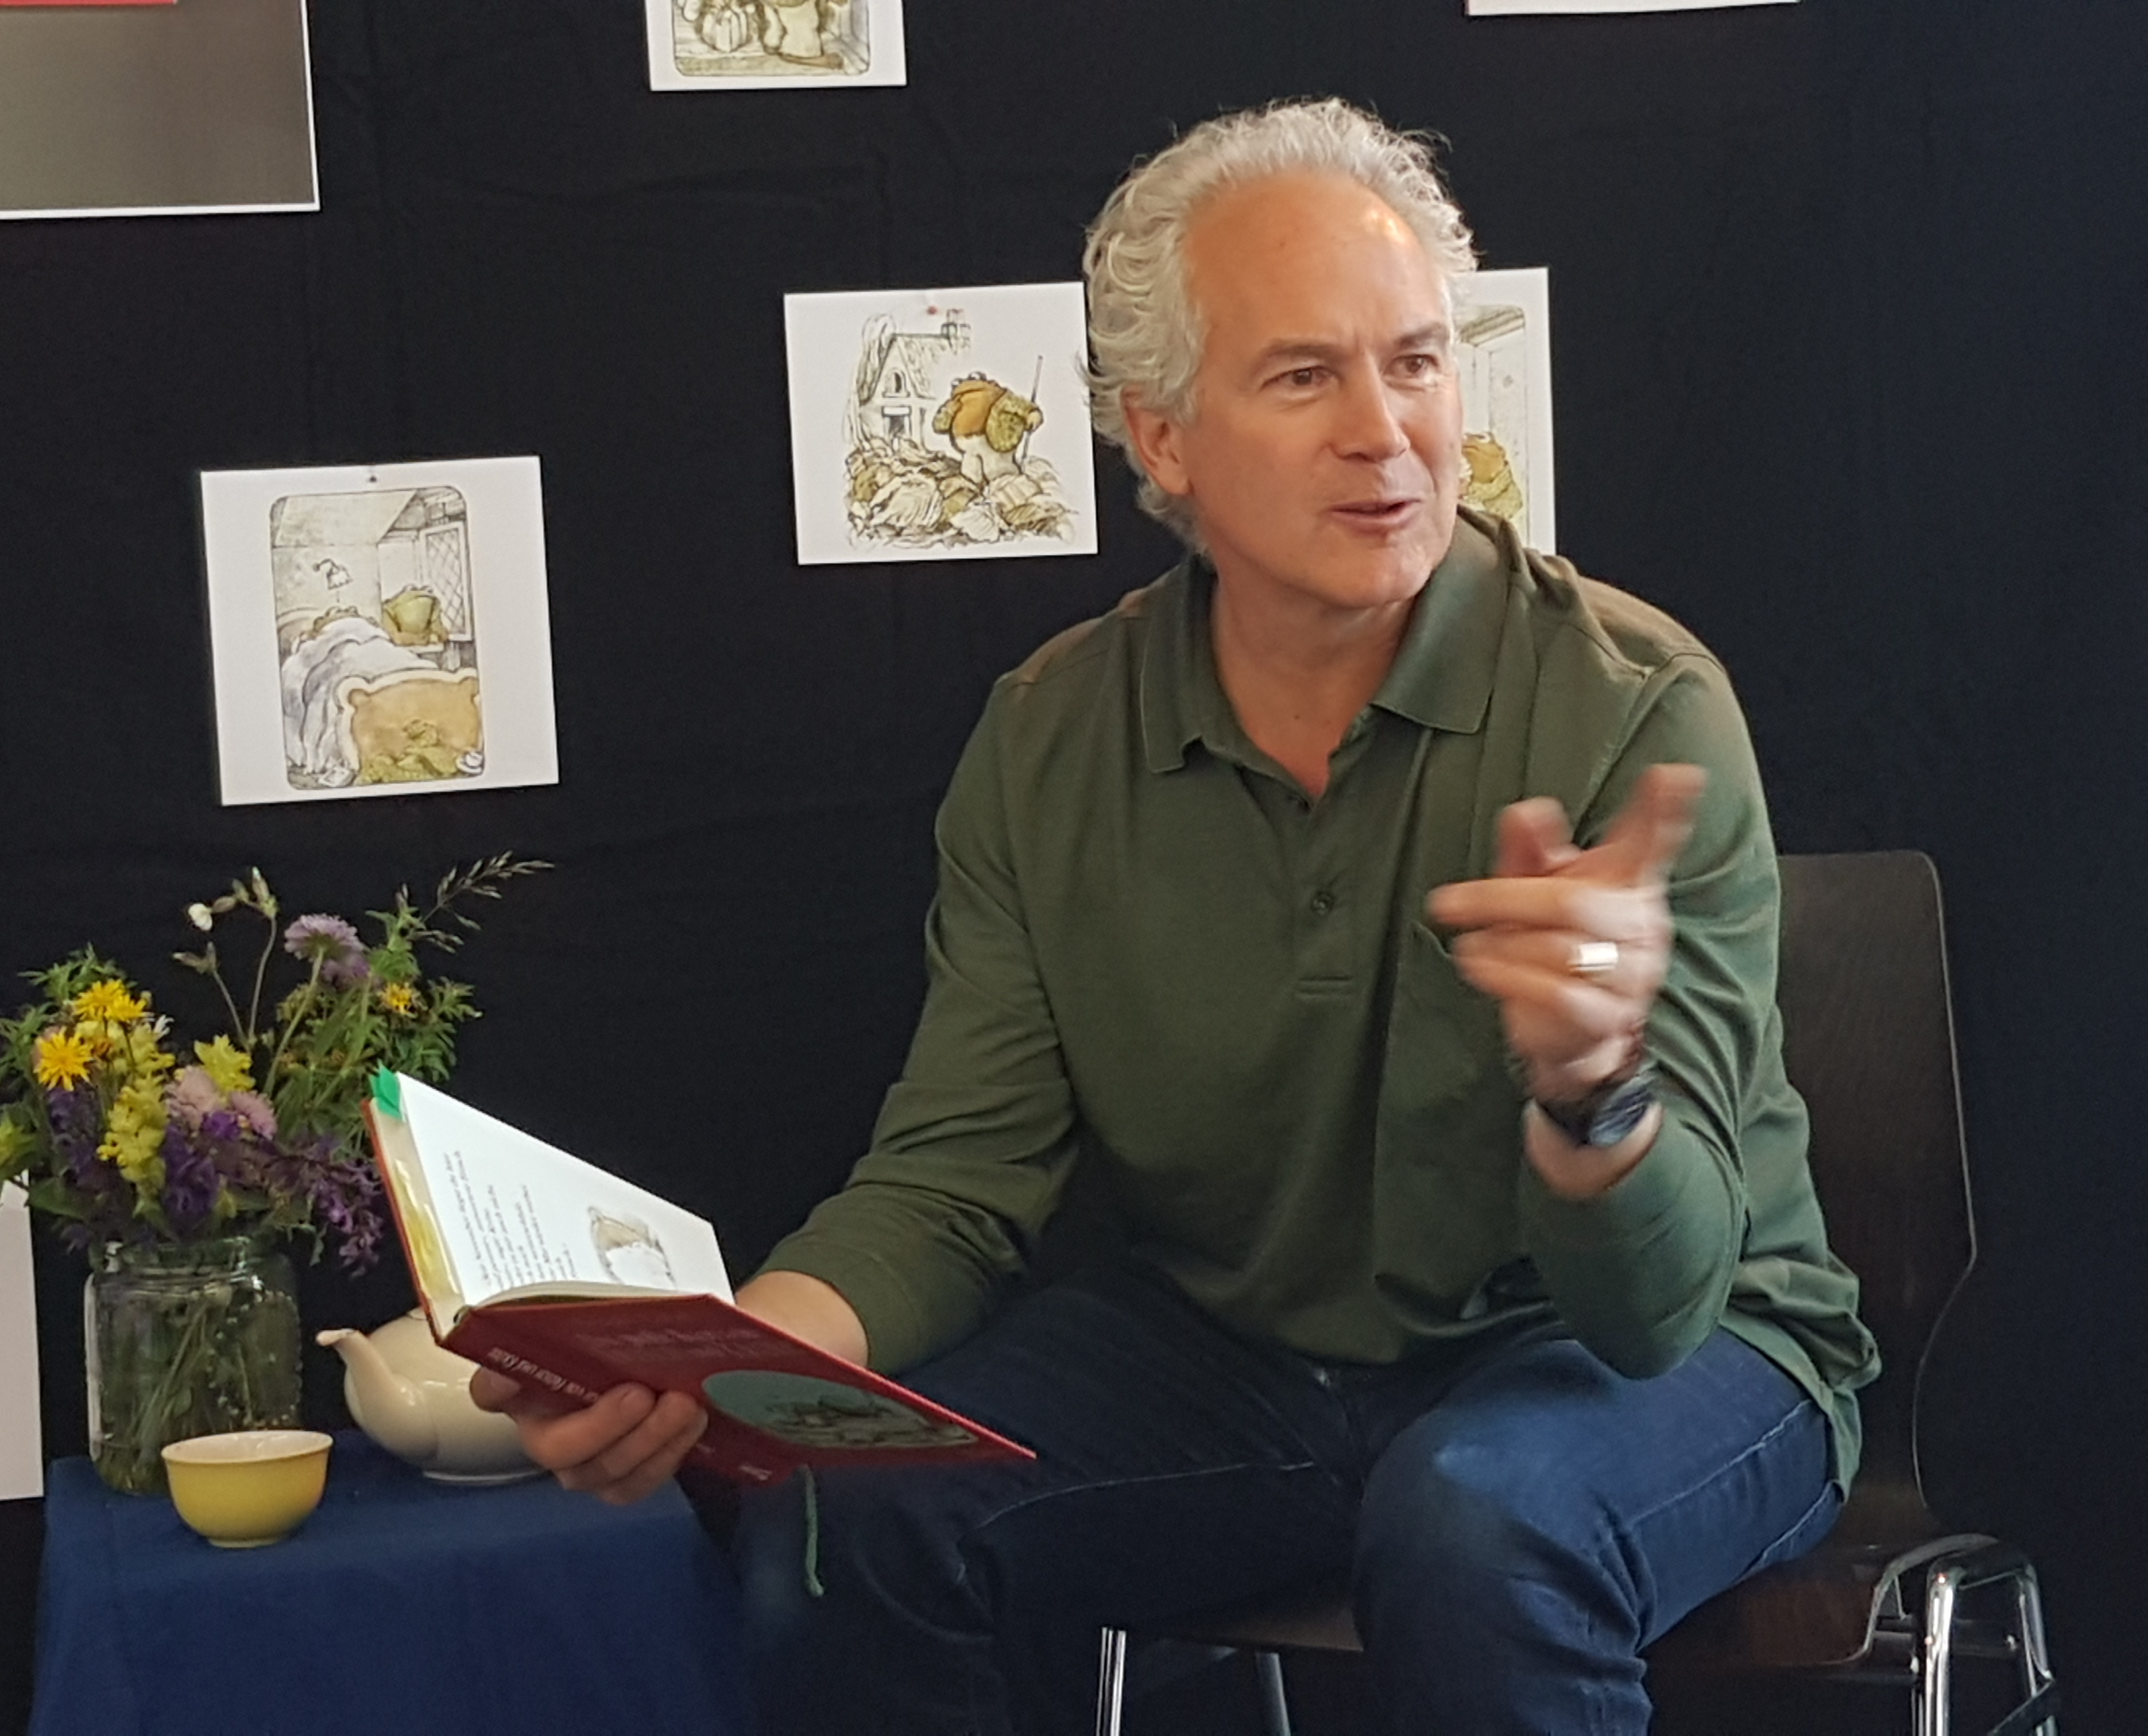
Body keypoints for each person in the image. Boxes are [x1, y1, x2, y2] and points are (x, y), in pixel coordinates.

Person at [477, 96, 1880, 1734]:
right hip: (1249, 1364)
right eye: (1305, 376)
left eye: (1418, 362)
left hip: (1675, 1358)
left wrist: (1594, 1091)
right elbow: (953, 1183)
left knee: (1478, 1525)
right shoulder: (1053, 733)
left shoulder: (1635, 704)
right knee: (830, 1510)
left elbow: (1655, 1312)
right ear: (1161, 439)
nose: (1387, 431)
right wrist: (717, 1369)